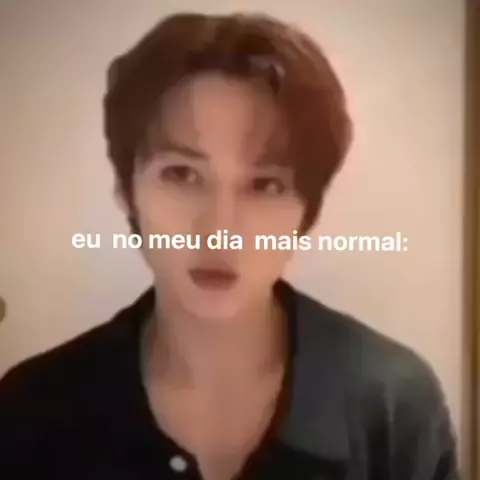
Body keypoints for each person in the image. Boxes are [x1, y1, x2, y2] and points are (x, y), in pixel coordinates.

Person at [0, 11, 459, 480]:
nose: (220, 228)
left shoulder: (393, 405)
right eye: (182, 174)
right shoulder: (32, 409)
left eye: (265, 184)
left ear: (308, 209)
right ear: (126, 188)